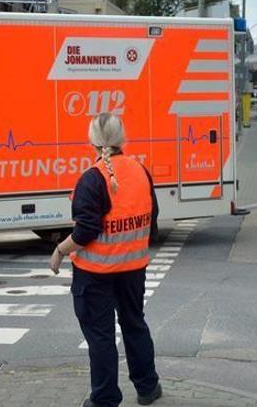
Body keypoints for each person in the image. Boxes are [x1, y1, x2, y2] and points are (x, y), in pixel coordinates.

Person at [49, 113, 162, 407]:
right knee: (134, 324)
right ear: (122, 139)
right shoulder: (140, 171)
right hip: (133, 269)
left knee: (100, 336)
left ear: (92, 143)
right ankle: (148, 387)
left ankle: (105, 399)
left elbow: (86, 231)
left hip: (95, 272)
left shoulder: (91, 180)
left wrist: (60, 250)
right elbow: (153, 217)